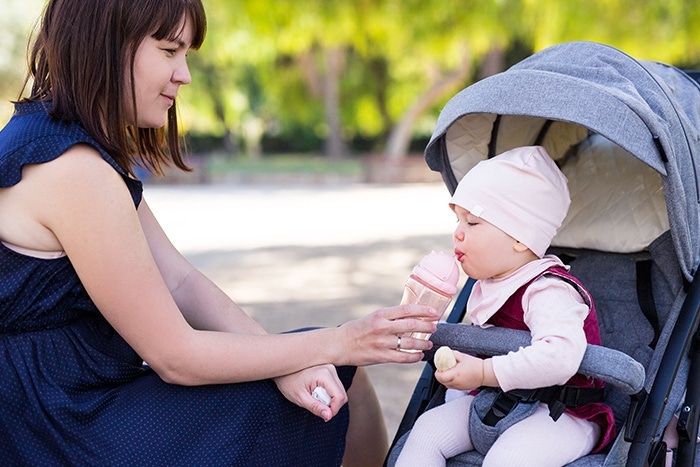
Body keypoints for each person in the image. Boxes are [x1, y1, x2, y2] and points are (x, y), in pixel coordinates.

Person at [0, 1, 442, 465]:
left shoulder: (53, 138)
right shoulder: (73, 170)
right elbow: (176, 357)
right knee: (337, 379)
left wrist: (288, 362)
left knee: (326, 375)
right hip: (60, 430)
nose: (184, 74)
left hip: (74, 405)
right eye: (170, 50)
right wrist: (340, 341)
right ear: (105, 45)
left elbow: (179, 281)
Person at [395, 146, 616, 466]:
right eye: (457, 221)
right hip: (498, 399)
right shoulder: (490, 285)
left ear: (520, 238)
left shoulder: (549, 290)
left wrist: (484, 372)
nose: (457, 233)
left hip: (562, 413)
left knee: (508, 458)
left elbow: (560, 356)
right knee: (427, 431)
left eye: (472, 222)